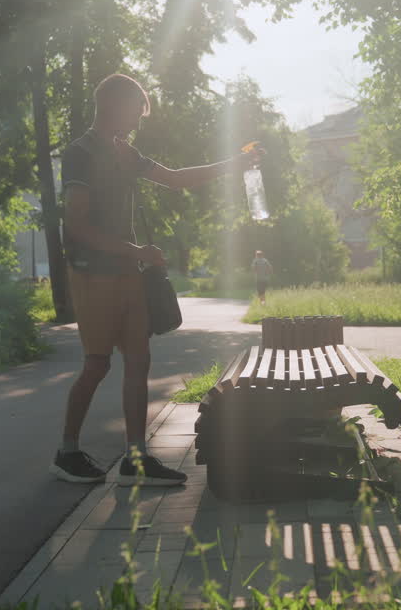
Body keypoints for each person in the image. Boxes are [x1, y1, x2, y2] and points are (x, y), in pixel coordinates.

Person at [51, 73, 262, 485]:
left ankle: (136, 458)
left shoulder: (124, 153)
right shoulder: (79, 154)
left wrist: (234, 165)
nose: (138, 120)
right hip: (92, 274)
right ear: (115, 105)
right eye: (136, 111)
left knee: (139, 361)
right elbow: (76, 227)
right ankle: (66, 452)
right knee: (96, 365)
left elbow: (177, 178)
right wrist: (136, 252)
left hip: (128, 272)